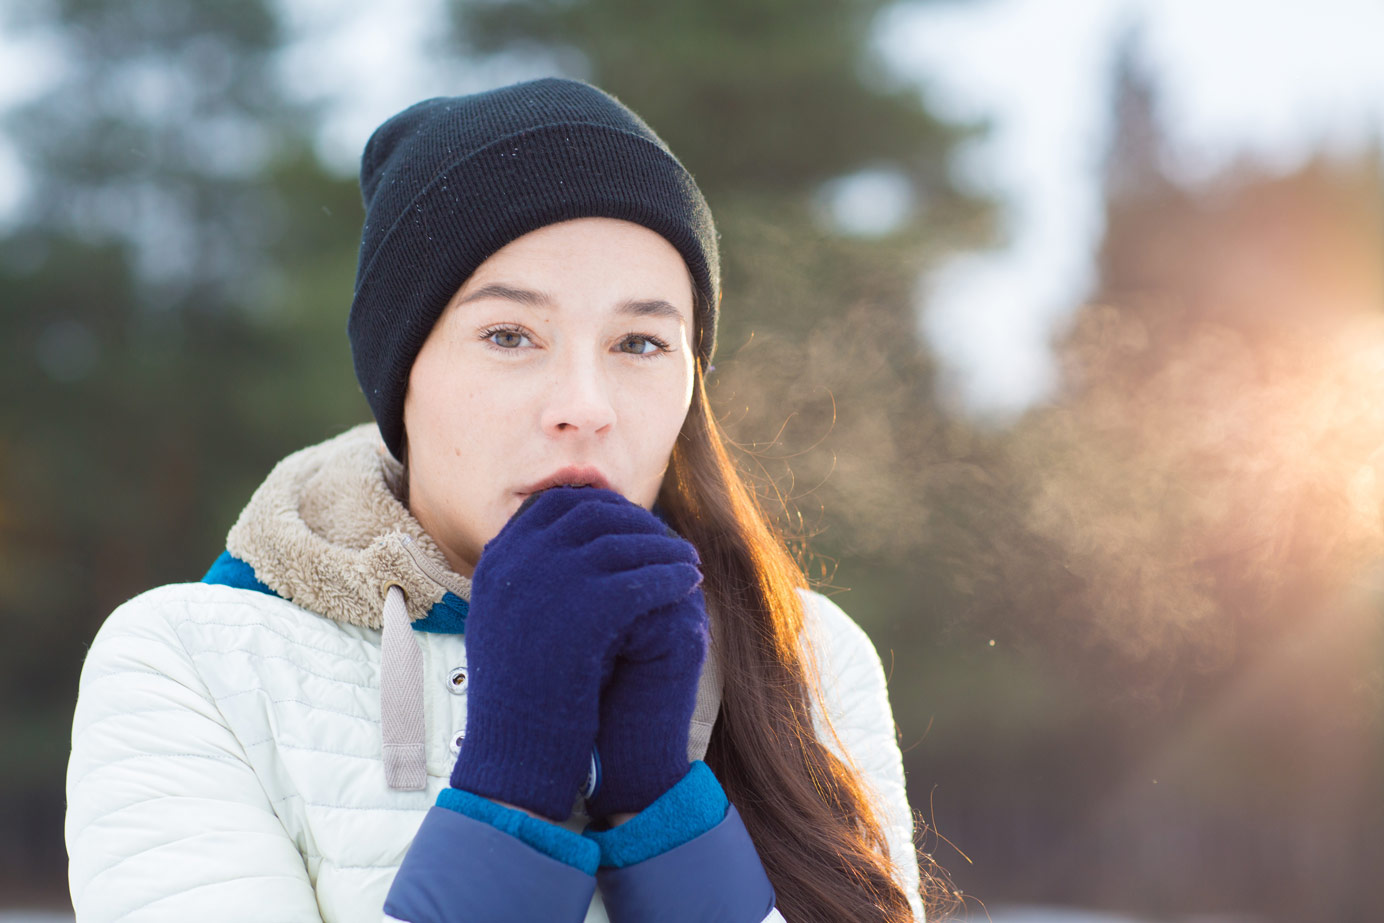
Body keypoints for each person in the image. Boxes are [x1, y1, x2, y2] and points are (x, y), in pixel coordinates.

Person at [64, 77, 930, 922]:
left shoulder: (806, 656)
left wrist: (663, 810)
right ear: (402, 377)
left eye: (639, 341)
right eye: (510, 334)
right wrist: (512, 789)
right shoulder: (191, 663)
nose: (585, 405)